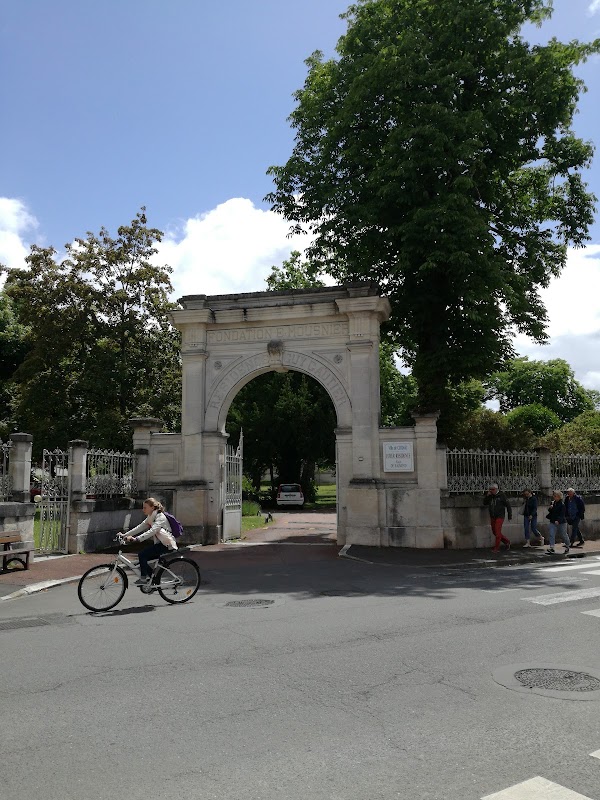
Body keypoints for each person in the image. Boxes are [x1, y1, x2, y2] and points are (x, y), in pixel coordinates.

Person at [120, 497, 178, 585]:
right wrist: (125, 535)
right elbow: (140, 527)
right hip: (160, 543)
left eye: (145, 507)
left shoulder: (160, 517)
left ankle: (144, 578)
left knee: (142, 554)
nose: (143, 509)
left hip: (166, 544)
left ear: (152, 507)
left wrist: (137, 539)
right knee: (143, 559)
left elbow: (153, 531)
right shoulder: (151, 516)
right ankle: (153, 580)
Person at [484, 483, 512, 552]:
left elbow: (508, 505)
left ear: (496, 489)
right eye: (490, 490)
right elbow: (484, 503)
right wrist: (487, 496)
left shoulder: (502, 496)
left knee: (497, 531)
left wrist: (509, 515)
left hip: (500, 516)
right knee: (495, 532)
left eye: (492, 490)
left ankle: (496, 548)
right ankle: (507, 541)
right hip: (493, 516)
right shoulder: (490, 496)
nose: (491, 491)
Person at [545, 490, 570, 555]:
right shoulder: (553, 503)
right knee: (551, 534)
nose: (554, 497)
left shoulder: (562, 505)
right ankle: (552, 547)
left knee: (563, 534)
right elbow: (550, 511)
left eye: (555, 496)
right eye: (554, 496)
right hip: (553, 521)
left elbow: (562, 514)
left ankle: (567, 545)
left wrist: (558, 520)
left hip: (561, 522)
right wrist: (550, 508)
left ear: (559, 497)